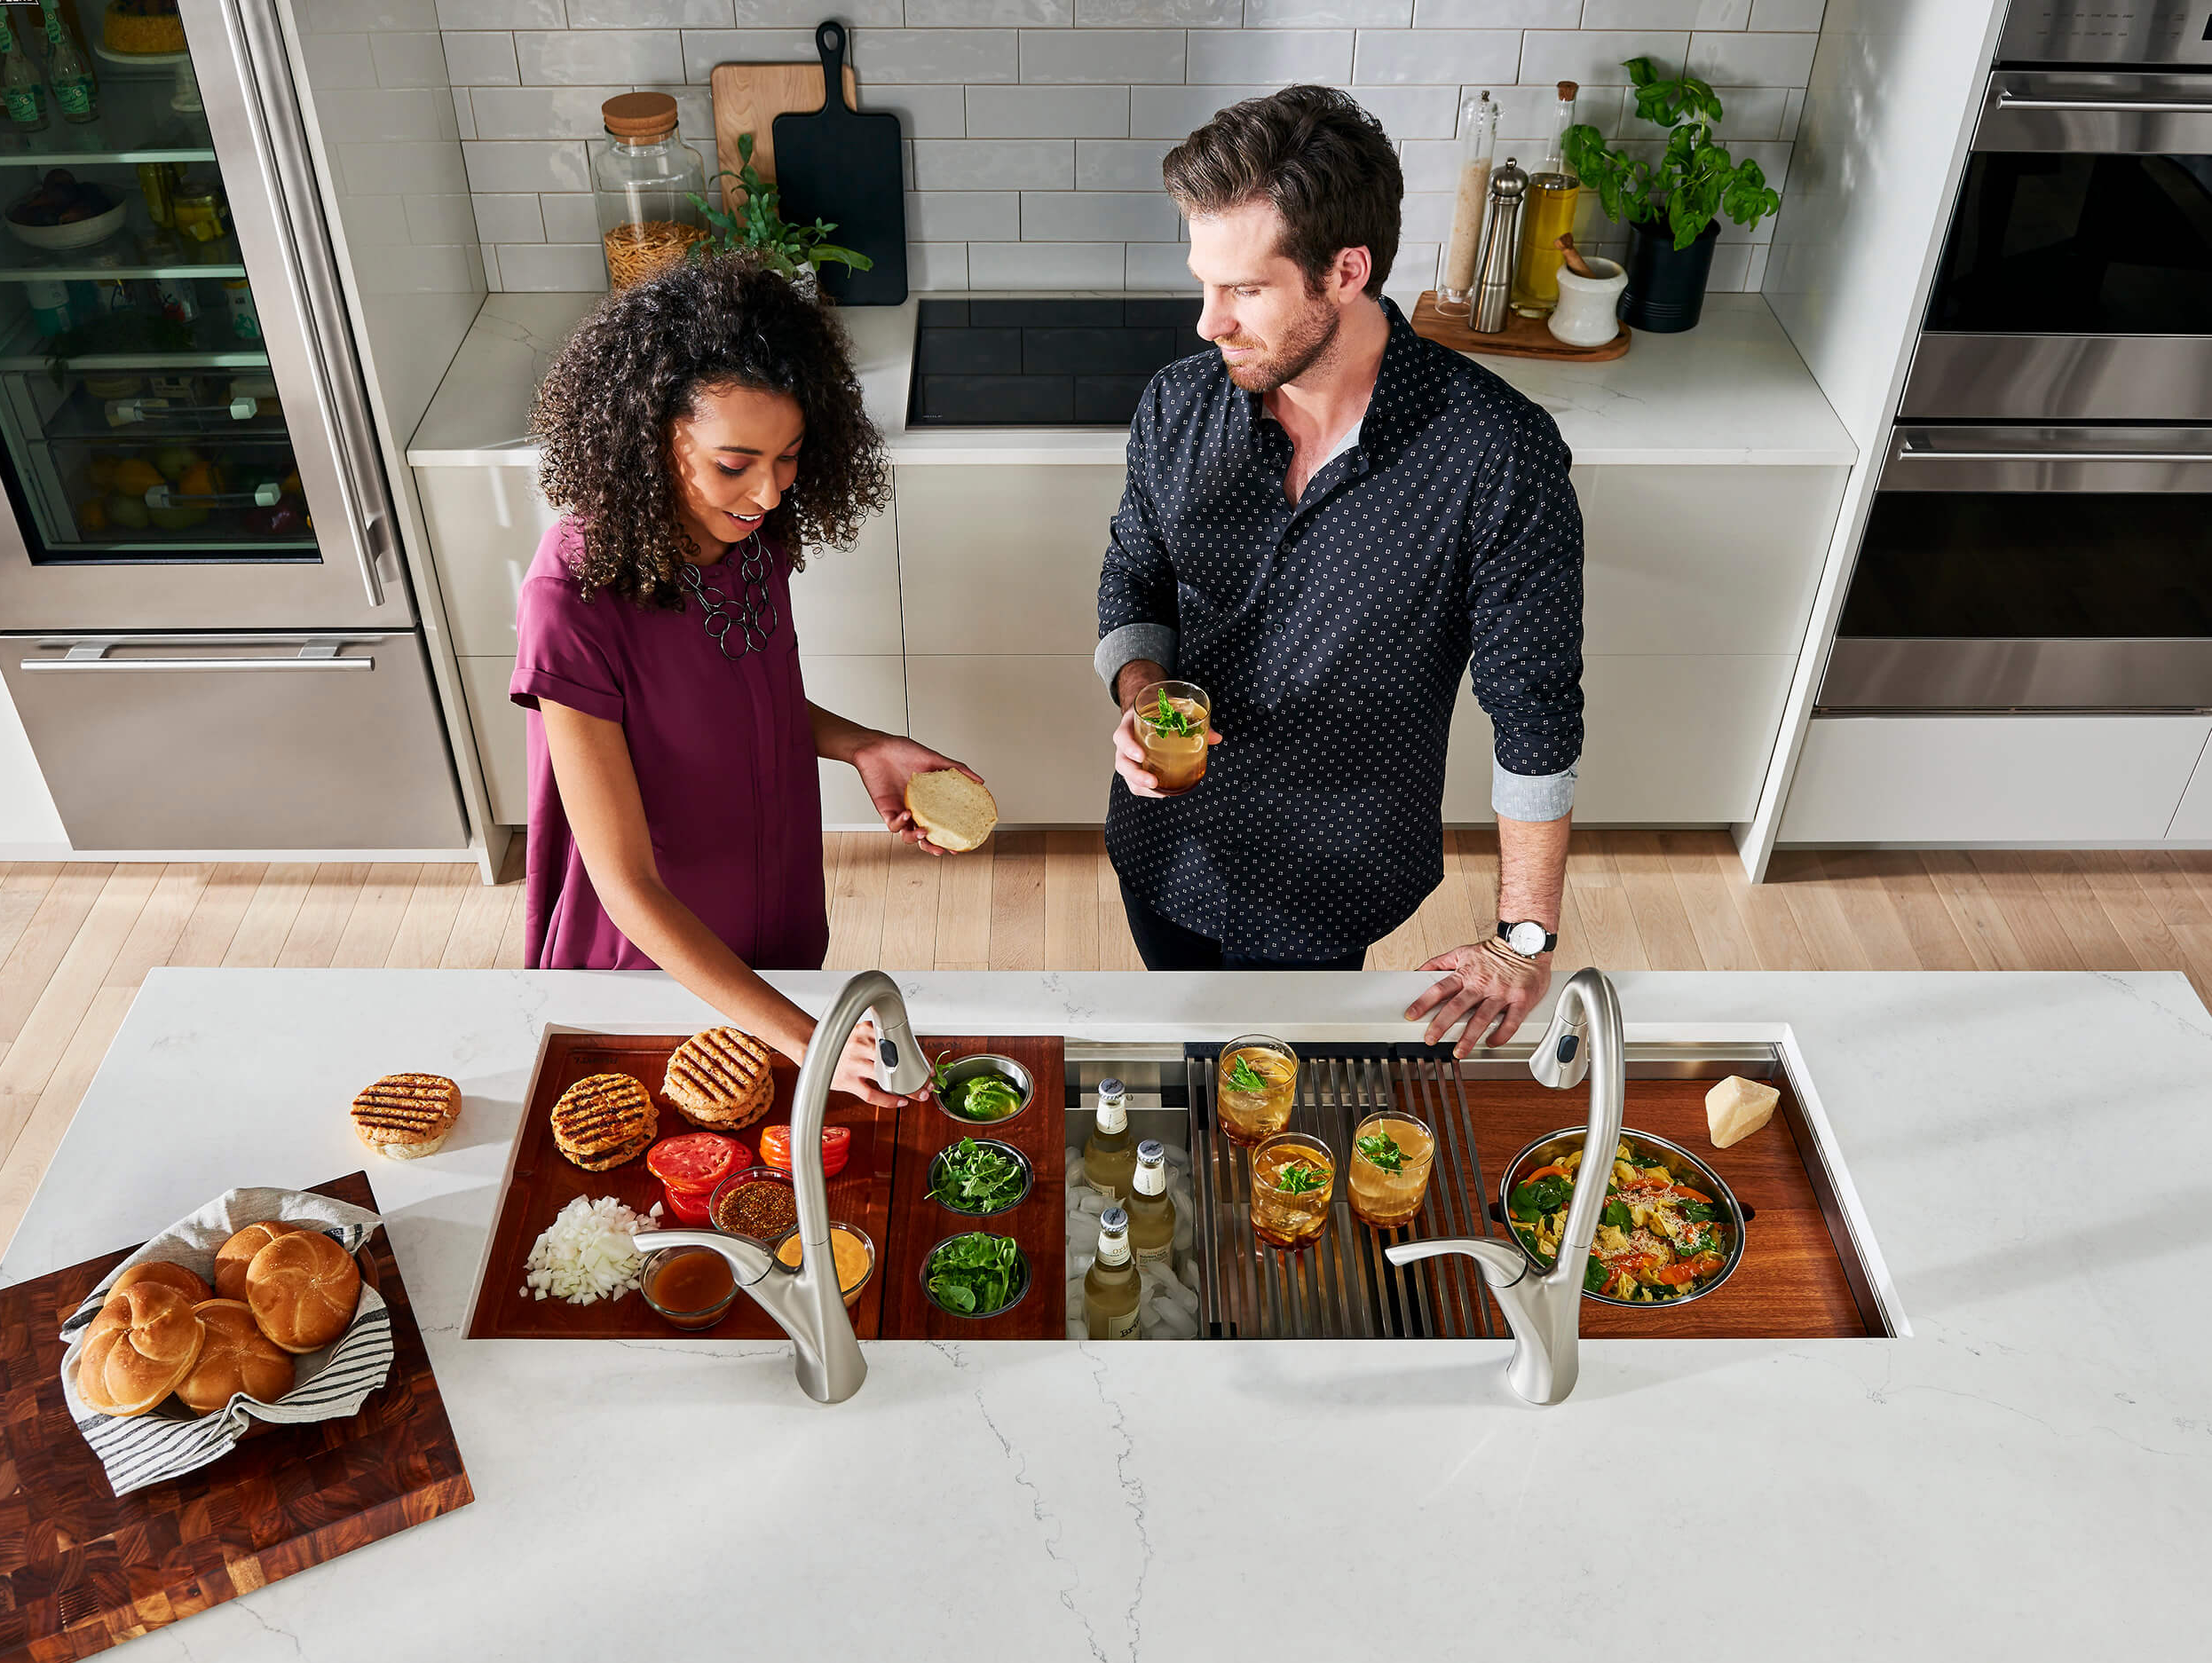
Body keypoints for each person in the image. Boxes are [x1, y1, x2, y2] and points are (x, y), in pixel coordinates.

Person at [1095, 85, 1584, 1056]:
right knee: (1197, 1054)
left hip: (1332, 872)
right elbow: (1134, 574)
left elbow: (1535, 712)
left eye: (1243, 289)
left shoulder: (1495, 454)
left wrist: (1524, 938)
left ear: (1345, 271)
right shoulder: (1177, 407)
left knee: (1283, 1085)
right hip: (1166, 846)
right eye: (1204, 282)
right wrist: (1142, 695)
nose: (1208, 323)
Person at [514, 256, 977, 1106]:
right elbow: (625, 885)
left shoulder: (749, 536)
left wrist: (859, 745)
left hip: (776, 919)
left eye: (790, 457)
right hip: (656, 966)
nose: (768, 492)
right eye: (735, 464)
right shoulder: (571, 596)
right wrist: (815, 1041)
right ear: (648, 437)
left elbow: (732, 702)